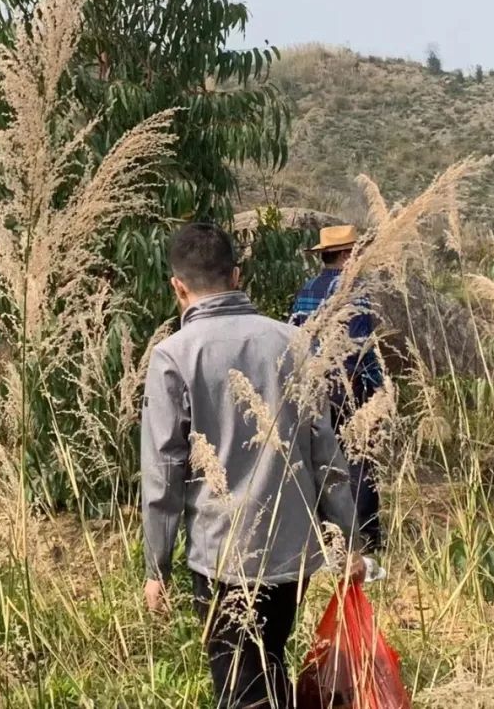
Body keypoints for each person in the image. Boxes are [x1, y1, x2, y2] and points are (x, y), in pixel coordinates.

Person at [141, 223, 365, 709]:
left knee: (239, 683)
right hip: (291, 553)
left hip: (221, 555)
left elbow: (164, 472)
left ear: (177, 286)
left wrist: (156, 566)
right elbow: (326, 454)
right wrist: (347, 539)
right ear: (237, 275)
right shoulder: (293, 341)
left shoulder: (173, 356)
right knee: (270, 660)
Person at [290, 224, 384, 554]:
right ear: (346, 255)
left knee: (325, 461)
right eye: (356, 252)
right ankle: (364, 542)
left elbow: (296, 340)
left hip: (315, 387)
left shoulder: (306, 291)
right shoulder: (354, 290)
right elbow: (356, 350)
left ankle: (328, 538)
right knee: (360, 460)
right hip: (353, 388)